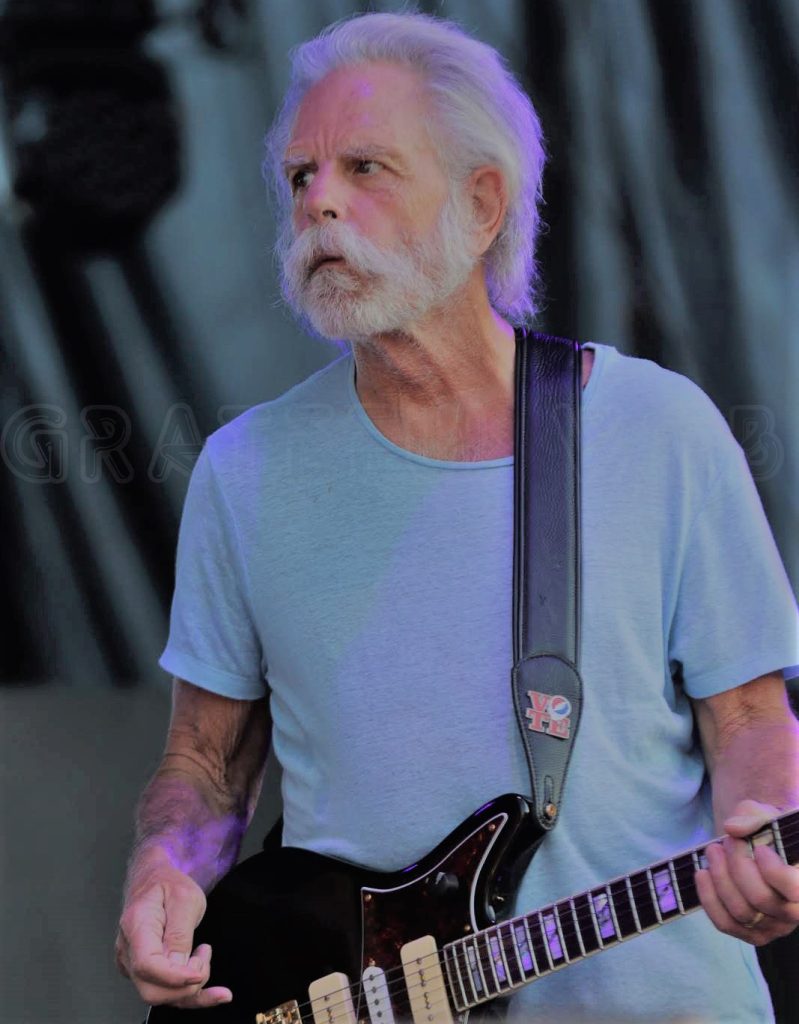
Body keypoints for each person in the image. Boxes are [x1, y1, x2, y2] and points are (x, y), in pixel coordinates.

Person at [115, 11, 799, 1022]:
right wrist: (162, 868)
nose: (318, 203)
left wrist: (762, 827)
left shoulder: (657, 427)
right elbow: (206, 765)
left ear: (482, 203)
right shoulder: (245, 470)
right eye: (300, 177)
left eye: (364, 167)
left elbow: (746, 717)